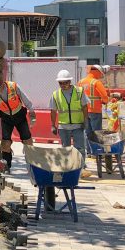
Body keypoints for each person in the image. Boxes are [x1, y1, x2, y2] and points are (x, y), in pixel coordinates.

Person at [49, 69, 90, 202]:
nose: (63, 85)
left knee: (79, 148)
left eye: (65, 83)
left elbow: (84, 107)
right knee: (65, 149)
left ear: (70, 82)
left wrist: (85, 120)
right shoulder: (55, 95)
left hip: (78, 124)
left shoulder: (79, 92)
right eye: (61, 83)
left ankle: (80, 168)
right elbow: (53, 111)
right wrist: (53, 125)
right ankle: (67, 169)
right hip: (64, 126)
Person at [0, 80, 36, 170]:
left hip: (20, 116)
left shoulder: (13, 86)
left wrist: (32, 113)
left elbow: (25, 99)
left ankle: (32, 165)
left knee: (28, 141)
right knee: (5, 143)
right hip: (6, 118)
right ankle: (6, 165)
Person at [78, 64, 110, 141]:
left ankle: (88, 150)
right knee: (97, 132)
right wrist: (105, 101)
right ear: (97, 72)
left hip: (84, 111)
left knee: (87, 132)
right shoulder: (96, 82)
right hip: (95, 111)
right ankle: (97, 149)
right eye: (100, 73)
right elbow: (105, 97)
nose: (100, 75)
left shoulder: (80, 82)